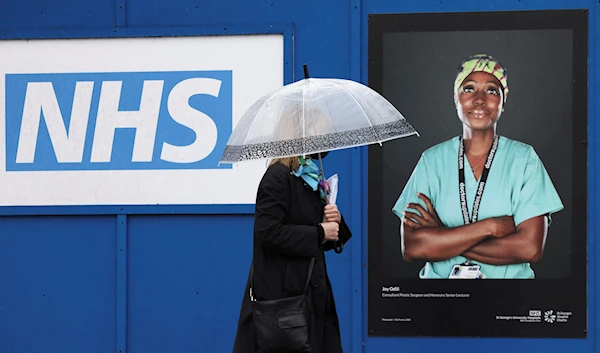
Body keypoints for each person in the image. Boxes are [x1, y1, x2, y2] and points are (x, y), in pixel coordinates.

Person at [392, 53, 564, 279]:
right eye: (469, 88)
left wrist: (443, 237)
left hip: (509, 300)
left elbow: (529, 248)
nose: (480, 99)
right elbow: (413, 247)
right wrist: (490, 227)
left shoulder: (524, 160)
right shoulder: (431, 161)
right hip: (439, 301)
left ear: (504, 99)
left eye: (492, 90)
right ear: (456, 98)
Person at [232, 152, 352, 353]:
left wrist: (335, 219)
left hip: (313, 295)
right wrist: (319, 232)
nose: (322, 134)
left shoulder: (311, 178)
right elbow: (267, 232)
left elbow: (321, 234)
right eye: (317, 127)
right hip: (285, 300)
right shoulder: (277, 176)